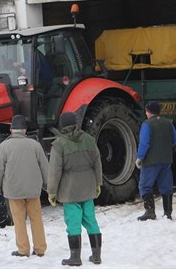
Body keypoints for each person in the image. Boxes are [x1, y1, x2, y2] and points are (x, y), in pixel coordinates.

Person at [48, 112, 103, 266]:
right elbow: (97, 164)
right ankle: (96, 255)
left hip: (70, 190)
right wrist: (98, 183)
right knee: (91, 220)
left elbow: (54, 171)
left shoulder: (59, 144)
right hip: (88, 187)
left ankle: (75, 257)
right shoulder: (89, 140)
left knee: (73, 222)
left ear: (62, 126)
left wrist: (52, 192)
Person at [0, 115, 49, 258]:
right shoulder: (35, 145)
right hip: (33, 189)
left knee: (19, 220)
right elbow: (45, 166)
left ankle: (23, 250)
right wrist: (47, 185)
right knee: (36, 218)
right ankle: (40, 248)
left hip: (13, 190)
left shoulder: (3, 146)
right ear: (24, 130)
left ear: (11, 129)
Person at [135, 101, 176, 221]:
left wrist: (140, 157)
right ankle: (167, 213)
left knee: (145, 186)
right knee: (166, 186)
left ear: (149, 112)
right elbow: (175, 140)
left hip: (150, 161)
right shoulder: (168, 123)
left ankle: (150, 211)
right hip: (166, 160)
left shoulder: (147, 124)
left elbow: (144, 143)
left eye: (146, 111)